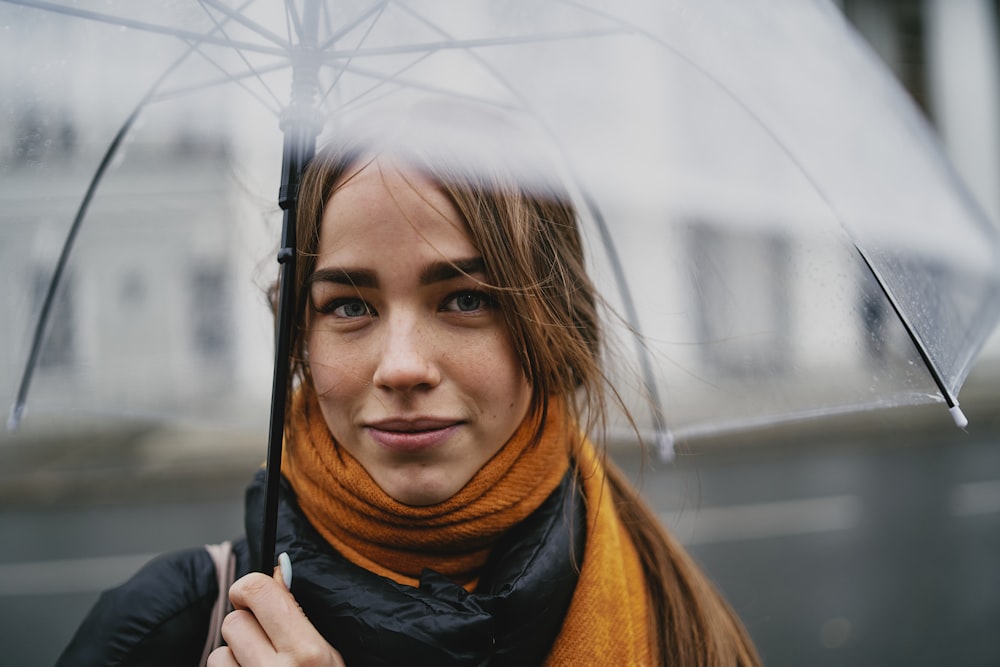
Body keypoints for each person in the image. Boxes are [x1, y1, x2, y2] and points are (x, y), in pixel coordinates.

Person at [57, 120, 761, 666]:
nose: (400, 367)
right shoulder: (166, 626)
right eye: (349, 306)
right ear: (300, 338)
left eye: (462, 299)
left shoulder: (683, 618)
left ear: (551, 325)